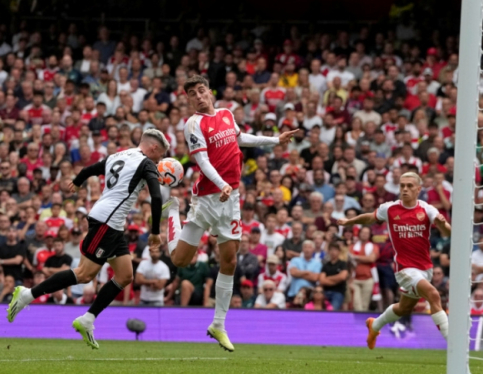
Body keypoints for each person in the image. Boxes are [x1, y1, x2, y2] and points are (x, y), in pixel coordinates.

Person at [163, 75, 296, 351]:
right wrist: (221, 183)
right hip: (207, 199)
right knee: (181, 261)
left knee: (230, 261)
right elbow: (202, 160)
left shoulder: (225, 114)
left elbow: (241, 138)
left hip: (231, 198)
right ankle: (173, 213)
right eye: (193, 94)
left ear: (209, 92)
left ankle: (218, 324)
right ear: (189, 100)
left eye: (202, 91)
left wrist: (275, 140)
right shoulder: (193, 124)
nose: (199, 96)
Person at [7, 129, 168, 350]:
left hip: (113, 224)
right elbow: (157, 197)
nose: (159, 161)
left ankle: (88, 319)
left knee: (125, 275)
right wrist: (156, 231)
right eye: (160, 156)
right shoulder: (146, 162)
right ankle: (27, 294)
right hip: (106, 223)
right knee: (84, 274)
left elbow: (90, 169)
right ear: (154, 148)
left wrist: (77, 181)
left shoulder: (118, 155)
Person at [337, 172, 451, 349]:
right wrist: (349, 222)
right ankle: (454, 344)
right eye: (402, 185)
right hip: (404, 269)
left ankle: (374, 325)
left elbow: (447, 233)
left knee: (404, 308)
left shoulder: (427, 209)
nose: (405, 189)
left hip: (425, 268)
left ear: (418, 189)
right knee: (433, 295)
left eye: (409, 186)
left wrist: (443, 225)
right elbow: (369, 217)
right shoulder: (389, 208)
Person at [318, 242, 348, 310]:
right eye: (331, 250)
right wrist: (336, 279)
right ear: (328, 251)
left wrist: (327, 278)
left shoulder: (342, 264)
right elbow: (322, 280)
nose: (333, 252)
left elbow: (342, 277)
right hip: (326, 292)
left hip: (338, 292)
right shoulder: (325, 265)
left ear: (339, 251)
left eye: (335, 250)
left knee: (333, 310)